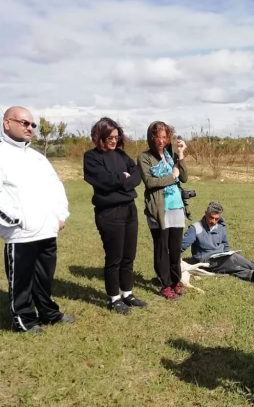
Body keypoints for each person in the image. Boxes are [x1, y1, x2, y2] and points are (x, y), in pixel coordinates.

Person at [0, 106, 74, 333]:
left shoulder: (37, 157)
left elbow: (56, 186)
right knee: (21, 282)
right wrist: (16, 220)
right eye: (24, 123)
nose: (30, 128)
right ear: (7, 123)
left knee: (44, 278)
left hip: (47, 229)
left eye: (32, 124)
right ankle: (24, 320)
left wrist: (60, 216)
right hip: (20, 233)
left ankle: (49, 313)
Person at [83, 117, 146, 315]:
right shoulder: (91, 157)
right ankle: (114, 298)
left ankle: (127, 293)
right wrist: (123, 178)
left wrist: (124, 181)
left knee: (129, 255)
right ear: (99, 136)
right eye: (110, 137)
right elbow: (103, 181)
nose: (114, 141)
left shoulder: (121, 155)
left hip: (129, 209)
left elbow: (137, 174)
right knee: (115, 257)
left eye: (116, 137)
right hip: (109, 213)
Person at [138, 121, 188, 300]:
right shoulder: (144, 157)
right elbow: (150, 182)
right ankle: (165, 284)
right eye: (157, 136)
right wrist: (171, 176)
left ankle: (176, 281)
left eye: (165, 136)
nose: (161, 140)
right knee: (162, 248)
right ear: (151, 137)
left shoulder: (170, 153)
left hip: (176, 207)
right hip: (158, 209)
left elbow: (184, 177)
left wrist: (181, 155)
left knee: (175, 249)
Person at [181, 201, 254, 283]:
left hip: (221, 256)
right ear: (205, 213)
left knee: (233, 262)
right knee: (231, 260)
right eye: (211, 217)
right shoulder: (195, 228)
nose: (214, 221)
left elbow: (225, 244)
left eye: (216, 219)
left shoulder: (221, 226)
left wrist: (226, 253)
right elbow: (181, 246)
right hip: (206, 260)